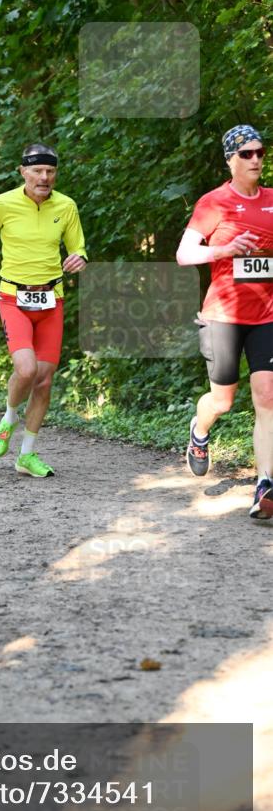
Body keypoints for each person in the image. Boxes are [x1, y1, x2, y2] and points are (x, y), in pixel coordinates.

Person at [0, 142, 87, 477]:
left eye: (50, 171)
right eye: (37, 171)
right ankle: (9, 417)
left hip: (52, 299)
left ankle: (27, 455)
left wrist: (80, 257)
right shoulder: (3, 204)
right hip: (13, 299)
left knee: (44, 382)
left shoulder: (66, 206)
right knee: (27, 369)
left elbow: (78, 246)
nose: (44, 177)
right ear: (23, 172)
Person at [177, 124, 273, 520]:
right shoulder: (212, 202)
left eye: (260, 152)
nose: (255, 159)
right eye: (246, 154)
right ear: (230, 159)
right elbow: (184, 255)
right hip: (224, 315)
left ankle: (265, 484)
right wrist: (225, 249)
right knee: (223, 400)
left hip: (268, 314)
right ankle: (199, 433)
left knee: (268, 396)